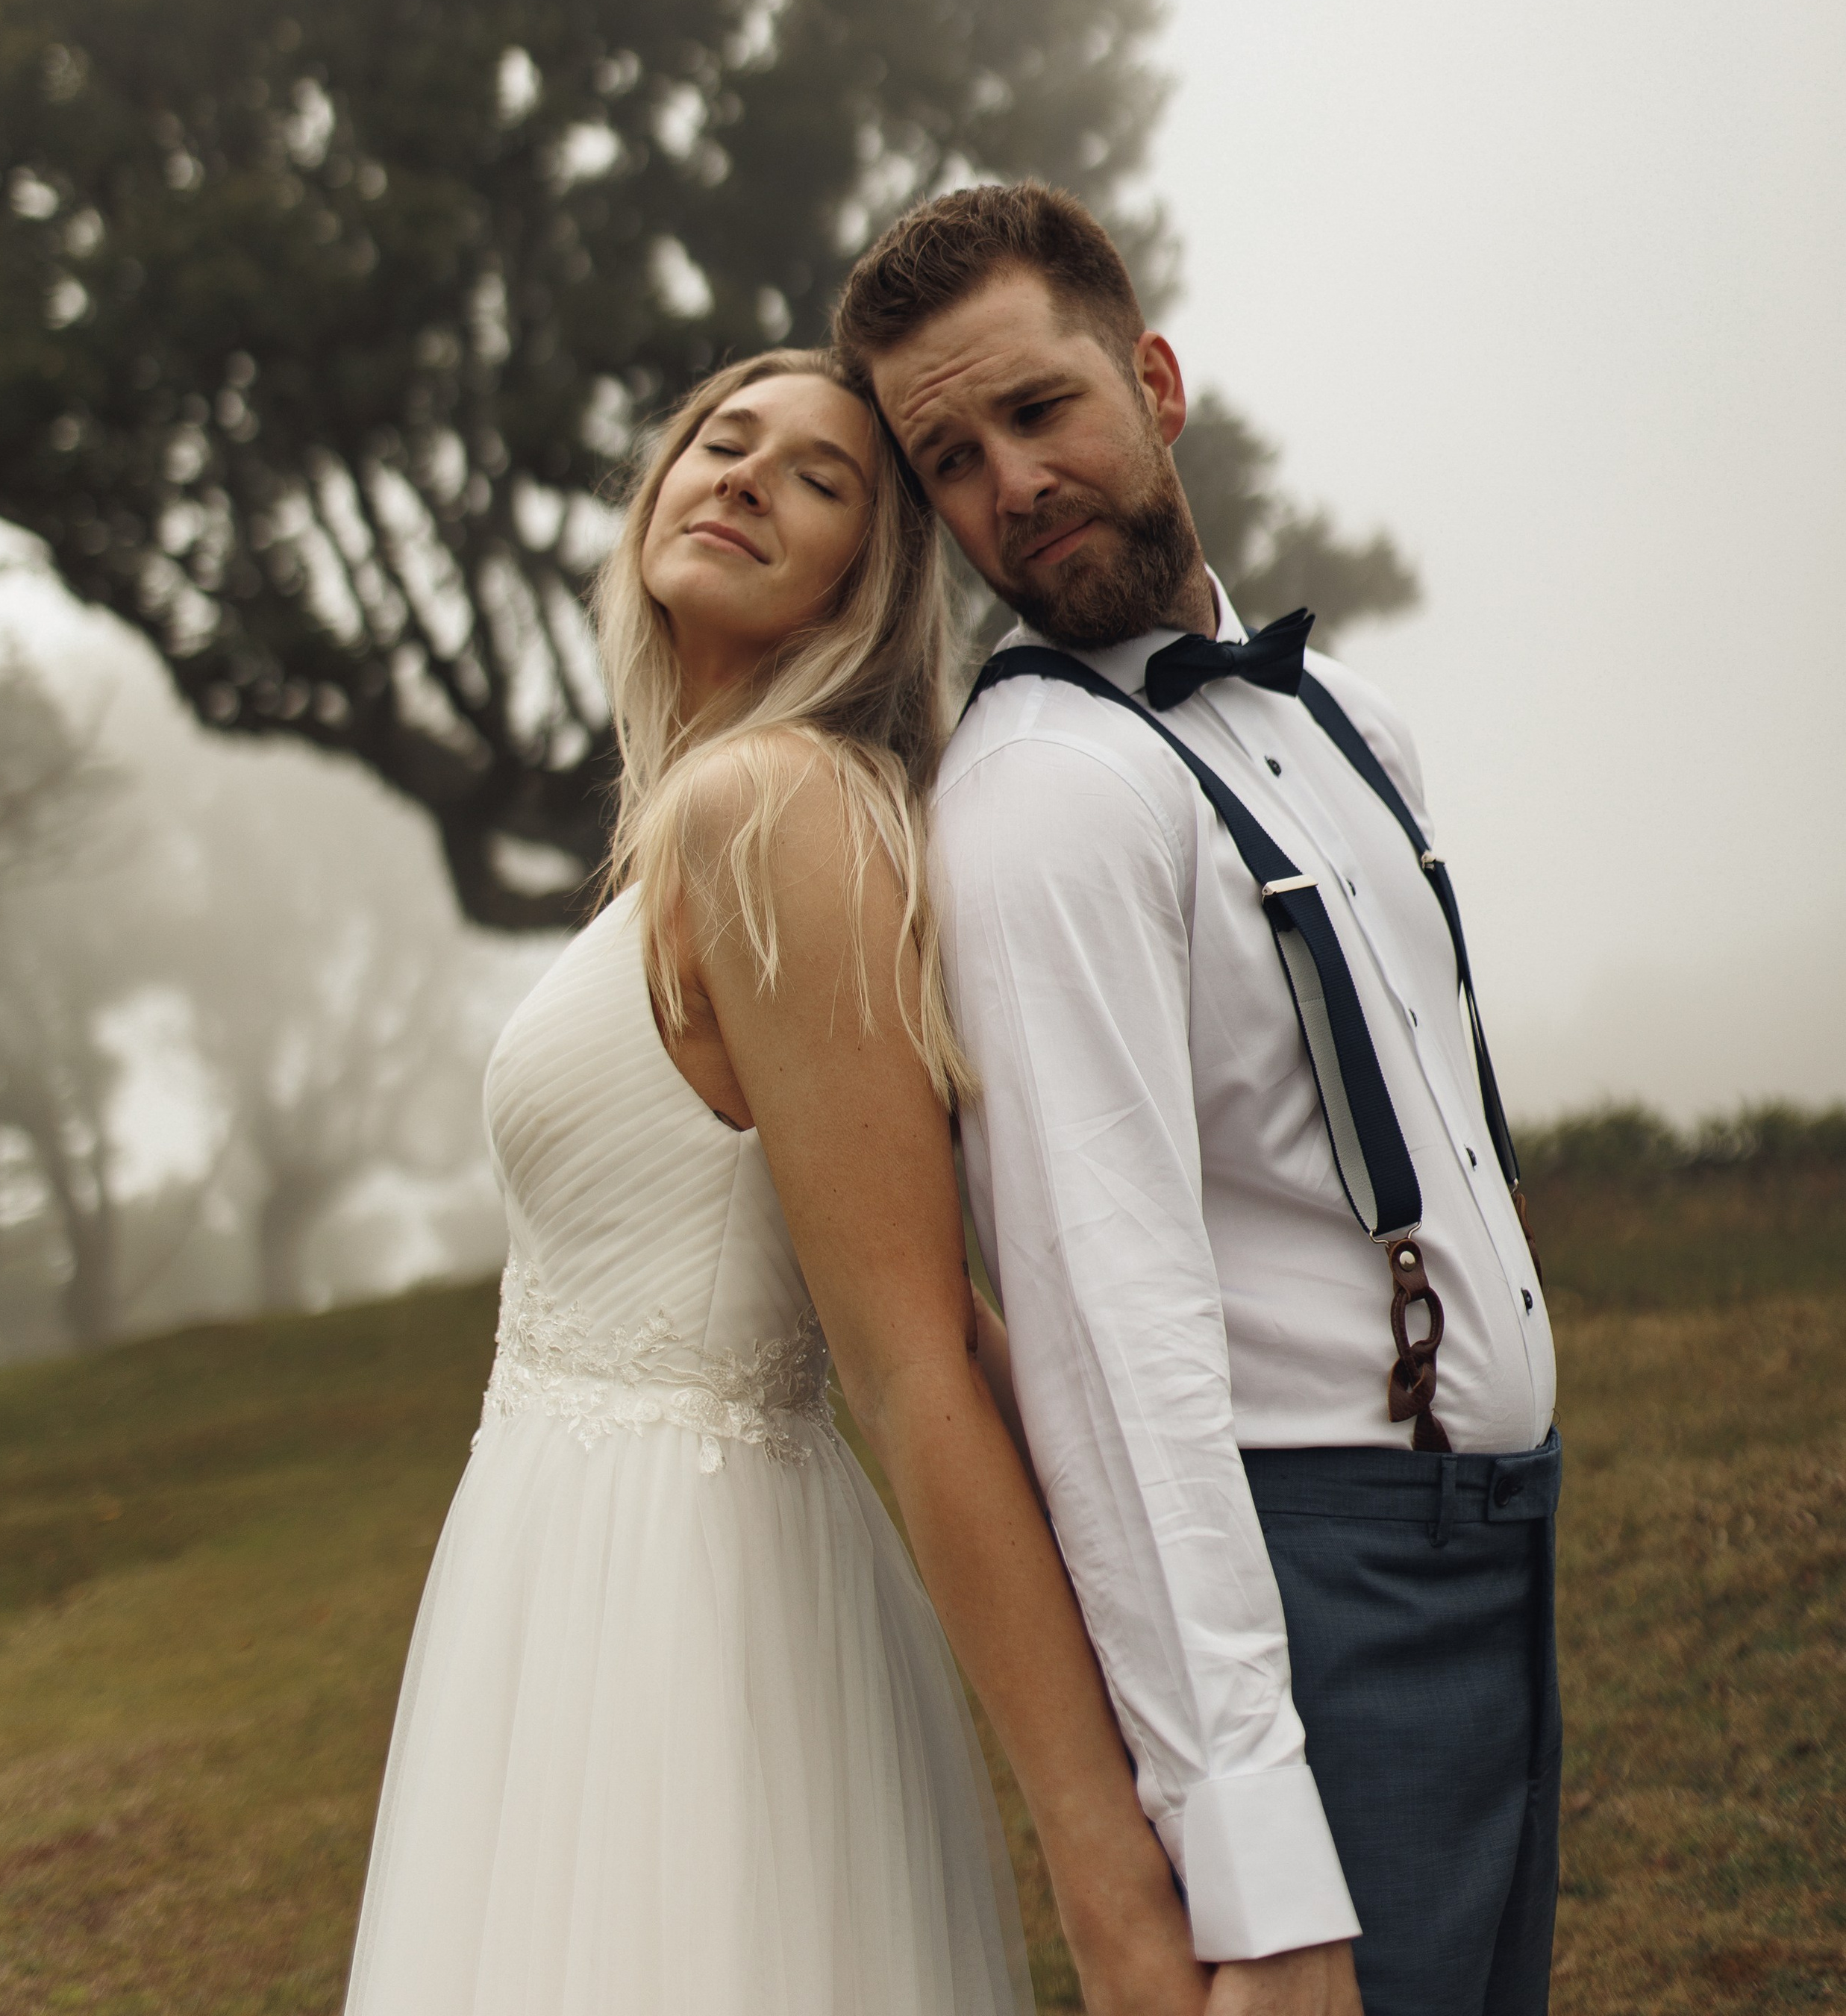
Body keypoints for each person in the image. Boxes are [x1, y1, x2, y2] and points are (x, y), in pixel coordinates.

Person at [342, 345, 1213, 2016]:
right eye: (719, 444)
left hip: (687, 1594)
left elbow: (916, 1349)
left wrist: (1107, 1846)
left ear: (863, 578)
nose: (742, 477)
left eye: (815, 478)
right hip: (554, 1570)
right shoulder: (689, 813)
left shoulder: (775, 809)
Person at [834, 186, 1561, 2016]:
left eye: (1038, 411)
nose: (1010, 483)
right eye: (948, 458)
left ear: (1151, 381)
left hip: (1492, 1555)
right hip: (1307, 1592)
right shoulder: (1040, 804)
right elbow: (1107, 1355)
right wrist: (1255, 1877)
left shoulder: (1352, 726)